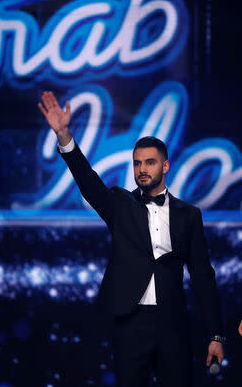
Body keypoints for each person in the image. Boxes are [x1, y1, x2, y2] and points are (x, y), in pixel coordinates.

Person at [38, 90, 224, 387]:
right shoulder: (120, 205)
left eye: (150, 163)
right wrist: (63, 134)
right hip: (130, 323)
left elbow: (203, 276)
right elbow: (88, 181)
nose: (142, 169)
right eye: (137, 163)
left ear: (164, 166)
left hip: (173, 324)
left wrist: (215, 335)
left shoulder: (189, 215)